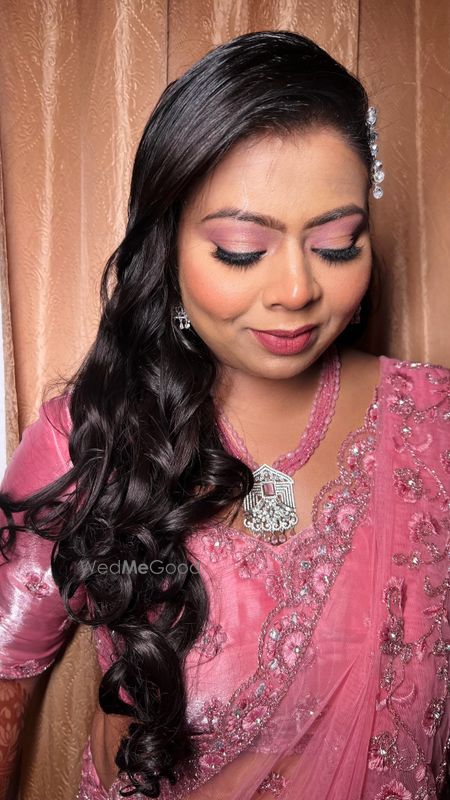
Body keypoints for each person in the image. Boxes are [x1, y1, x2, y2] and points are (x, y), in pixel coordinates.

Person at [0, 28, 449, 800]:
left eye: (338, 244)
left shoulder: (434, 428)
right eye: (242, 249)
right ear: (167, 246)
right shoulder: (90, 440)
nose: (297, 290)